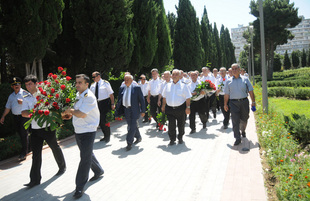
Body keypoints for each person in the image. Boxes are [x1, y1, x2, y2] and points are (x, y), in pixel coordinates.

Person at [63, 74, 104, 199]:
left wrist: (70, 111)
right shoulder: (78, 95)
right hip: (79, 130)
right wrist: (69, 114)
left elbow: (81, 114)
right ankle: (98, 170)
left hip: (88, 131)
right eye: (76, 82)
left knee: (84, 159)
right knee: (87, 153)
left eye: (80, 82)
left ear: (87, 84)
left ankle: (79, 187)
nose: (77, 85)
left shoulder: (89, 97)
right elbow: (76, 112)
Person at [21, 75, 66, 188]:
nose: (28, 86)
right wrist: (35, 112)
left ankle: (62, 167)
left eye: (30, 84)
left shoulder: (43, 94)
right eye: (26, 84)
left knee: (54, 147)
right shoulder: (25, 96)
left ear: (36, 84)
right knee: (35, 155)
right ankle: (35, 180)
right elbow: (23, 113)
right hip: (35, 129)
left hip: (47, 127)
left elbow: (53, 107)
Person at [224, 63, 256, 145]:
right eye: (232, 69)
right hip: (233, 103)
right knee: (235, 121)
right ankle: (237, 138)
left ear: (239, 70)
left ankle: (243, 130)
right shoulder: (228, 81)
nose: (234, 70)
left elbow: (251, 91)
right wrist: (225, 104)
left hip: (244, 102)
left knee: (245, 118)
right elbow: (226, 94)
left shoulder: (245, 79)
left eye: (235, 69)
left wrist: (253, 102)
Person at [1, 77, 30, 161]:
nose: (16, 86)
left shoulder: (25, 93)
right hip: (16, 117)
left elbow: (31, 104)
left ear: (20, 85)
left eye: (18, 84)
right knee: (21, 134)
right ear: (12, 87)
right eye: (14, 85)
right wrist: (3, 116)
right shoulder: (11, 96)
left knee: (24, 133)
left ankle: (23, 153)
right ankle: (28, 148)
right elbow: (7, 108)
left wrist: (23, 102)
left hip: (24, 116)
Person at [161, 69, 191, 145]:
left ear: (180, 76)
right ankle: (172, 139)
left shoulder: (184, 86)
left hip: (180, 108)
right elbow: (164, 97)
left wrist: (188, 107)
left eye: (176, 74)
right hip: (169, 108)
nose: (174, 76)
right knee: (171, 125)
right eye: (173, 74)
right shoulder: (167, 85)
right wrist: (163, 106)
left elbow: (188, 97)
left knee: (181, 124)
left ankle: (180, 137)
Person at [116, 74, 145, 151]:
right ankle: (138, 137)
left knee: (131, 127)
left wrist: (143, 110)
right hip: (126, 110)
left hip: (134, 110)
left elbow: (142, 100)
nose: (125, 81)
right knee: (132, 125)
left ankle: (129, 142)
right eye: (125, 80)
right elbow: (119, 100)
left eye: (127, 80)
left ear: (132, 81)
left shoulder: (136, 88)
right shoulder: (122, 88)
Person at [90, 71, 115, 143]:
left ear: (98, 76)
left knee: (105, 120)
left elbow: (111, 94)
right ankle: (105, 135)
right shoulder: (92, 85)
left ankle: (108, 136)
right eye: (92, 77)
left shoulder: (105, 83)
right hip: (97, 104)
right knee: (100, 121)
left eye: (94, 77)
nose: (93, 78)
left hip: (105, 103)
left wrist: (112, 104)